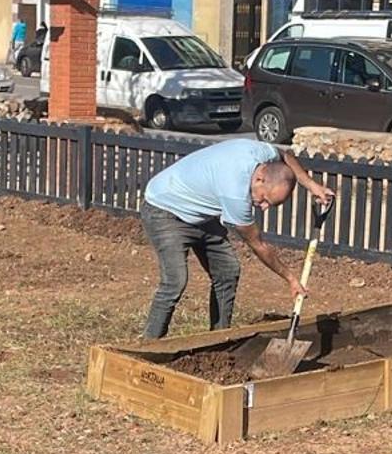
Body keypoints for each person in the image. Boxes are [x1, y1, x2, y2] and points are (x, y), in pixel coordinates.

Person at [140, 139, 333, 339]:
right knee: (175, 281)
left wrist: (312, 185)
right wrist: (291, 279)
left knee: (227, 270)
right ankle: (149, 347)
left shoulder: (262, 153)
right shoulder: (236, 194)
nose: (264, 207)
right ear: (260, 178)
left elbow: (285, 156)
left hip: (198, 213)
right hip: (164, 209)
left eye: (270, 204)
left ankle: (218, 340)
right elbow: (258, 245)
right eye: (265, 199)